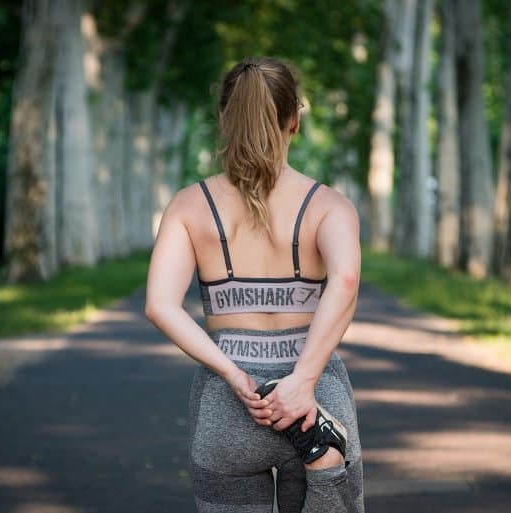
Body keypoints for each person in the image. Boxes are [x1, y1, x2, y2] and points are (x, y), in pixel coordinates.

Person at [145, 56, 364, 513]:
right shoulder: (329, 206)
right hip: (314, 409)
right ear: (294, 120)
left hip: (230, 407)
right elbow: (343, 278)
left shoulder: (189, 206)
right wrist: (302, 382)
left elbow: (160, 306)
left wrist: (232, 374)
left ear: (224, 118)